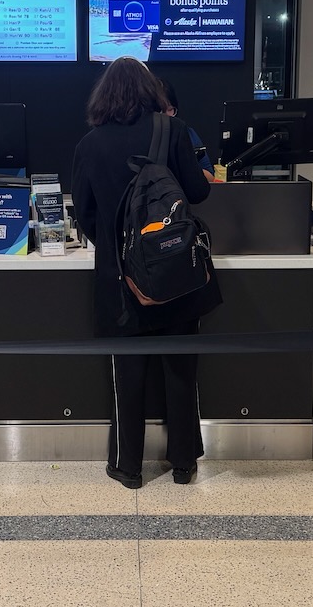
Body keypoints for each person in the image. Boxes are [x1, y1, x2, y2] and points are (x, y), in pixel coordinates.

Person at [71, 57, 221, 489]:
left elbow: (85, 216)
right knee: (181, 370)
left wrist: (124, 255)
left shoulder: (89, 145)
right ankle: (184, 463)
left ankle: (127, 466)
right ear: (150, 91)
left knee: (127, 375)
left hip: (120, 280)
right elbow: (198, 191)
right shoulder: (171, 131)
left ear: (104, 96)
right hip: (176, 274)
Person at [158, 78, 216, 182]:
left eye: (170, 110)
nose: (167, 116)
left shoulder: (187, 134)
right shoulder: (145, 138)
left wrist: (188, 167)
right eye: (161, 111)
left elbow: (210, 178)